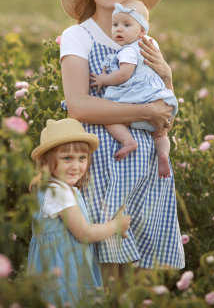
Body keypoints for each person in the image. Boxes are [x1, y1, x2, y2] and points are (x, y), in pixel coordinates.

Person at [58, 0, 185, 285]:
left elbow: (164, 111)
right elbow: (79, 106)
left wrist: (168, 76)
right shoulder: (78, 35)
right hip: (101, 158)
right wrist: (145, 110)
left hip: (145, 165)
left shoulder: (145, 41)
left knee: (141, 276)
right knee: (106, 267)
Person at [27, 118, 131, 306]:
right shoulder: (57, 191)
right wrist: (115, 225)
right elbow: (84, 233)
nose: (76, 166)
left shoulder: (56, 188)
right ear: (47, 162)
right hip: (63, 271)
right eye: (67, 158)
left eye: (82, 158)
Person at [89, 0, 177, 179]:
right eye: (115, 25)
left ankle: (128, 141)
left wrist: (103, 79)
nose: (119, 29)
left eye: (126, 25)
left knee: (110, 117)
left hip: (137, 98)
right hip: (159, 99)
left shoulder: (128, 51)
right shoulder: (152, 45)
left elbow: (123, 75)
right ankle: (163, 154)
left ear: (142, 31)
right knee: (161, 136)